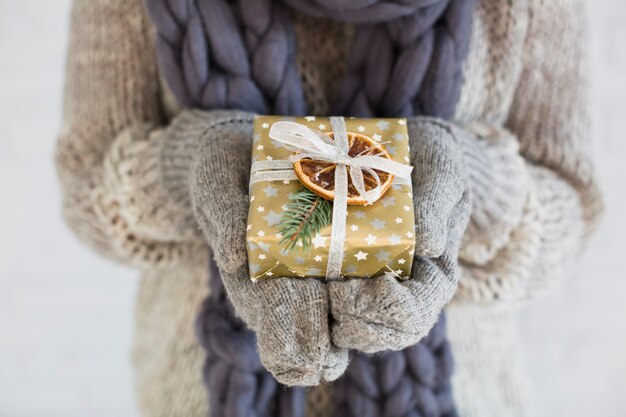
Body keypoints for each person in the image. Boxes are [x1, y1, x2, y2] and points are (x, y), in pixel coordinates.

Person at [55, 0, 603, 416]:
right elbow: (87, 188)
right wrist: (185, 167)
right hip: (196, 392)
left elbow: (570, 207)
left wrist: (470, 180)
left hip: (466, 394)